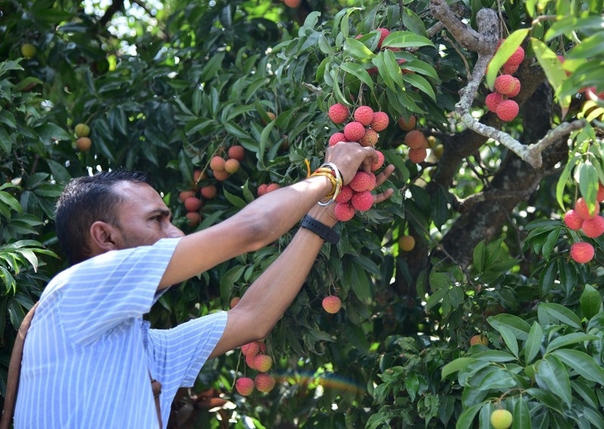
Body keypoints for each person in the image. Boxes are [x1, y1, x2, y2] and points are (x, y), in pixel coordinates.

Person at [12, 141, 394, 429]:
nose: (175, 231)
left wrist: (326, 210)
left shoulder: (142, 351)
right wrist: (330, 175)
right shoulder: (74, 290)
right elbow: (254, 229)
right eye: (157, 220)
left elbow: (253, 317)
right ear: (105, 237)